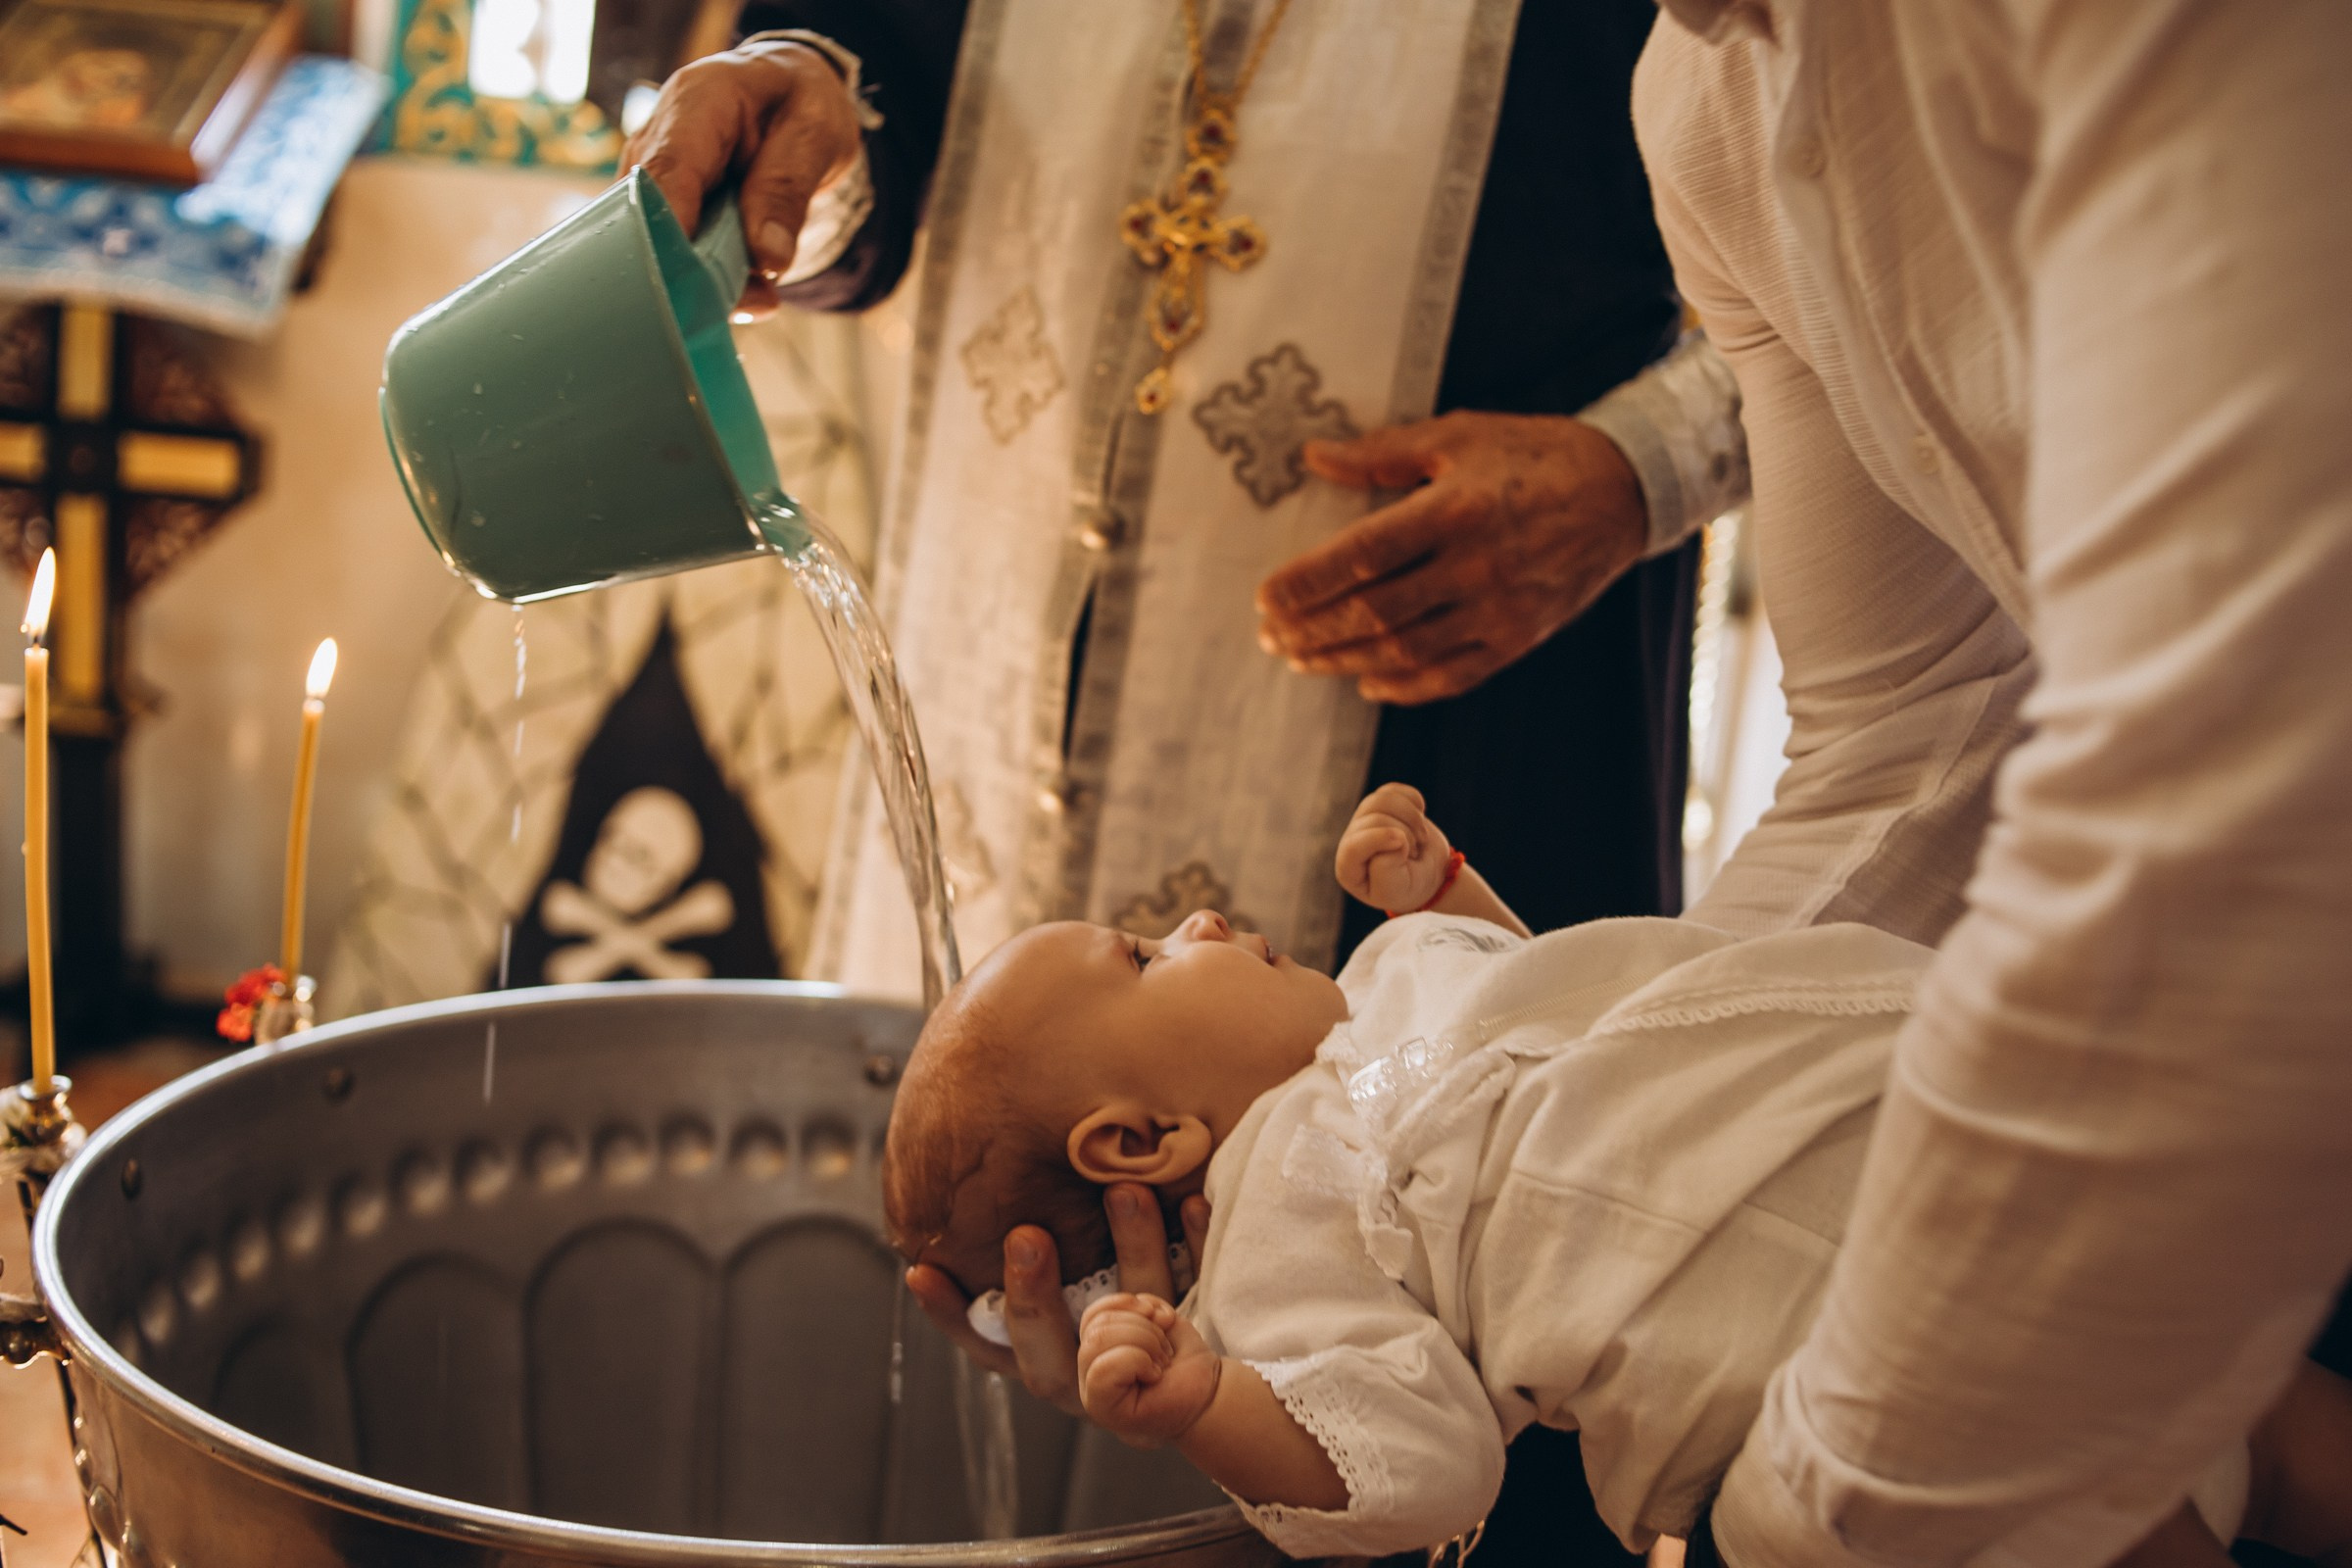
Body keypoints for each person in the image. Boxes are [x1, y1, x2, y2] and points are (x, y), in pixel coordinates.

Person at [627, 6, 1746, 1557]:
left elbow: (1892, 272)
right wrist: (793, 132)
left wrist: (1645, 468)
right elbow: (871, 108)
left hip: (1472, 670)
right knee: (998, 1322)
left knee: (1549, 1278)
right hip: (1005, 664)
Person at [1615, 5, 2352, 1564]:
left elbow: (2240, 798)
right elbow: (1910, 731)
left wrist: (1829, 1494)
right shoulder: (1699, 96)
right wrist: (1476, 1164)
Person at [880, 783, 2352, 1563]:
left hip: (1956, 1151)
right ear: (1141, 1143)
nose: (1197, 914)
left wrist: (1448, 890)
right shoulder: (1279, 1239)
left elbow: (1562, 1002)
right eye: (1143, 953)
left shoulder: (1392, 984)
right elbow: (1419, 1464)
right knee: (2121, 1521)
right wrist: (1213, 1406)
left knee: (2280, 1427)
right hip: (1845, 1365)